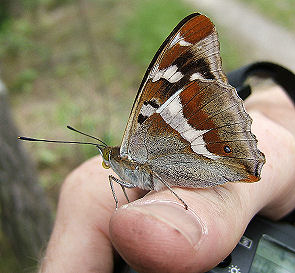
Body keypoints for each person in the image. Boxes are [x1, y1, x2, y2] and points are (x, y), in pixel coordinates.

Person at [38, 83, 295, 273]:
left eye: (108, 157)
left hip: (215, 149)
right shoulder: (120, 173)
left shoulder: (135, 153)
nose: (107, 162)